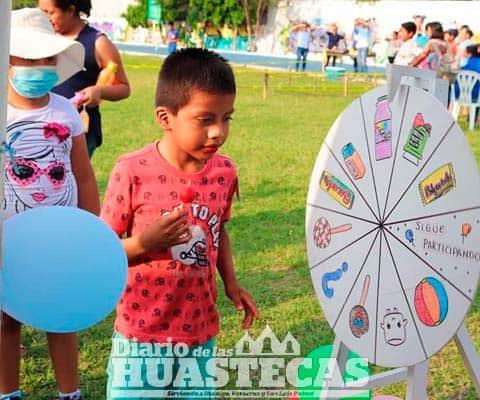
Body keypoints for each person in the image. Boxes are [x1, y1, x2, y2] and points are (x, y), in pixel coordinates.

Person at [100, 48, 259, 399]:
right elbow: (100, 251)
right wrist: (143, 244)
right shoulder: (132, 171)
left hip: (200, 333)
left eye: (227, 117)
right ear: (165, 117)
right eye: (205, 119)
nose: (218, 132)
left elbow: (219, 228)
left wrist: (231, 282)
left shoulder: (223, 172)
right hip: (142, 335)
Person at [0, 8, 99, 400]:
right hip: (9, 242)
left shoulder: (63, 111)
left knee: (61, 314)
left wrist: (91, 229)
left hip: (60, 238)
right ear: (7, 60)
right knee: (7, 319)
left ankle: (68, 392)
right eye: (28, 58)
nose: (39, 67)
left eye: (46, 58)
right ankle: (8, 392)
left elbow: (84, 174)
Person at [39, 0, 130, 158]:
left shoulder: (98, 43)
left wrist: (99, 90)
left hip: (79, 131)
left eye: (50, 12)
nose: (45, 18)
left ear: (71, 10)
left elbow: (123, 88)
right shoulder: (43, 37)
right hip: (41, 125)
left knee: (73, 180)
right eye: (42, 12)